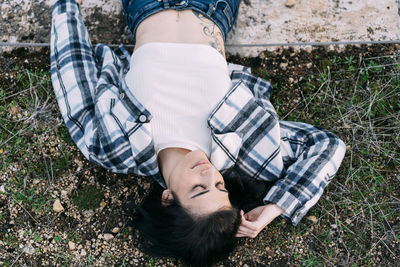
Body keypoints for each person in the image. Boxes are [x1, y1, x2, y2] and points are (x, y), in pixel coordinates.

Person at [50, 0, 346, 265]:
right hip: (213, 7)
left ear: (167, 198)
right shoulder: (243, 151)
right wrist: (277, 206)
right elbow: (325, 145)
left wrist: (65, 6)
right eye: (220, 187)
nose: (209, 174)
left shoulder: (112, 147)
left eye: (198, 189)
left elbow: (73, 73)